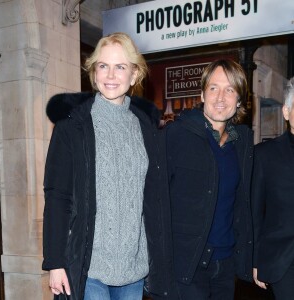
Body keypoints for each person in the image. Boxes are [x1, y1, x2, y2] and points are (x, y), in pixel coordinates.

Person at [42, 32, 175, 300]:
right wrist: (55, 262)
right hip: (89, 267)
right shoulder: (72, 127)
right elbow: (57, 197)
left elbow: (153, 198)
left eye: (120, 67)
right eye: (103, 66)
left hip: (133, 268)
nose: (111, 75)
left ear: (134, 75)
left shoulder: (146, 127)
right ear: (93, 73)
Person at [166, 59, 254, 300]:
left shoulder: (242, 143)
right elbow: (155, 200)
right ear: (202, 94)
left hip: (225, 265)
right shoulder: (176, 135)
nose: (220, 97)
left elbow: (244, 202)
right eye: (213, 88)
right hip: (187, 265)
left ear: (239, 100)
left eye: (229, 90)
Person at [252, 77, 294, 299]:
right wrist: (256, 260)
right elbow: (255, 213)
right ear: (286, 112)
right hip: (282, 262)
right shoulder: (264, 155)